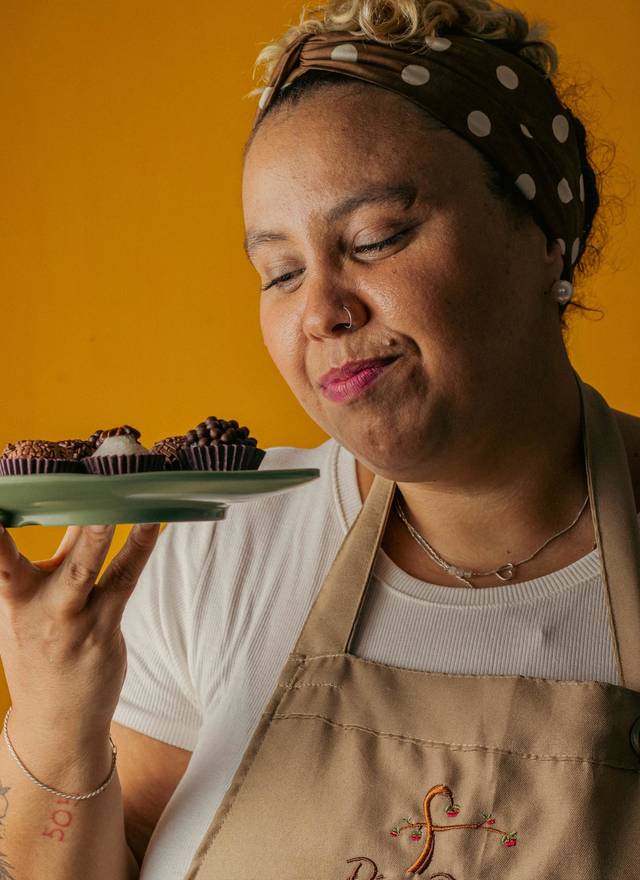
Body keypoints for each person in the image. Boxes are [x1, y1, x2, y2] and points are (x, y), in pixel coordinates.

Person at [0, 1, 639, 878]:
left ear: (544, 237)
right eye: (281, 273)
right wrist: (52, 709)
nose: (320, 314)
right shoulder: (214, 550)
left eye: (377, 239)